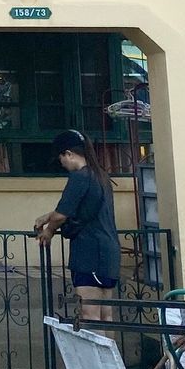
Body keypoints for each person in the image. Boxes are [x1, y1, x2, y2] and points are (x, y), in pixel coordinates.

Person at [34, 128, 122, 324]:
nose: (62, 163)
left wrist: (49, 231)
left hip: (89, 253)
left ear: (68, 154)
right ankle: (109, 346)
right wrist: (48, 216)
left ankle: (92, 347)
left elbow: (62, 215)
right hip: (109, 252)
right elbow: (79, 207)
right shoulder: (101, 176)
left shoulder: (79, 177)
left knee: (89, 315)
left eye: (61, 158)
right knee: (106, 315)